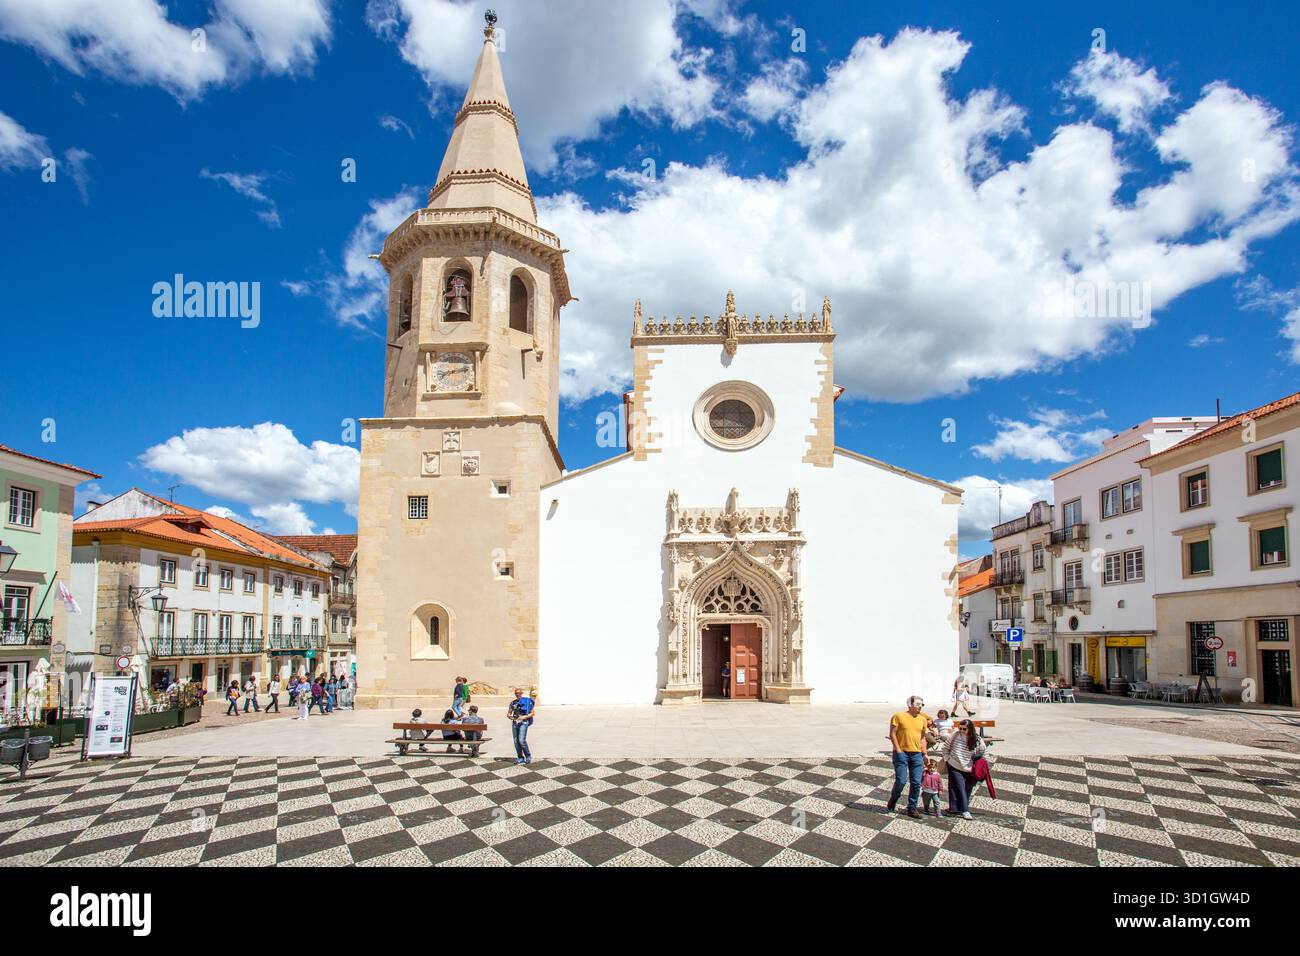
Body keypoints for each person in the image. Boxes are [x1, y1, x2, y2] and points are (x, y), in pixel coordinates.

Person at [886, 695, 933, 818]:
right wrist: (898, 750)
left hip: (916, 754)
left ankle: (912, 808)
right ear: (910, 704)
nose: (920, 707)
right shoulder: (898, 716)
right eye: (918, 704)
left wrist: (925, 753)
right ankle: (894, 798)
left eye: (921, 704)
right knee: (901, 780)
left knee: (916, 782)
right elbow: (892, 734)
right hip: (902, 753)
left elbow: (922, 737)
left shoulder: (922, 719)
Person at [944, 719, 987, 820]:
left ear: (970, 729)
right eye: (960, 728)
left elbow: (984, 751)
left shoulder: (977, 739)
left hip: (971, 768)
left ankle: (954, 808)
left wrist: (984, 765)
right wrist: (947, 758)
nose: (961, 730)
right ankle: (965, 810)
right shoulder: (955, 735)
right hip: (954, 765)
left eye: (964, 729)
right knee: (959, 787)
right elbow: (945, 747)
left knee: (967, 789)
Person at [507, 687, 535, 765]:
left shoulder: (527, 701)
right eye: (516, 693)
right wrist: (510, 716)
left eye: (519, 693)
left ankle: (528, 756)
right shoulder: (513, 703)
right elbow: (509, 713)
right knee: (516, 741)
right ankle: (520, 757)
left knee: (521, 740)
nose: (517, 695)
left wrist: (524, 717)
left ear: (521, 694)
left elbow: (532, 713)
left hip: (523, 722)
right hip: (515, 722)